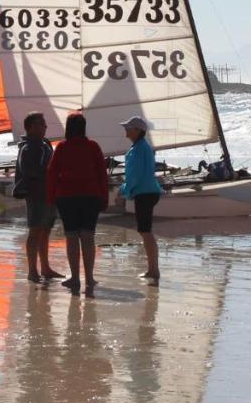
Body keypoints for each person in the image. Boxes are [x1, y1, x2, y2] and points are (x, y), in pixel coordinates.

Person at [45, 113, 109, 295]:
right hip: (90, 196)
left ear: (68, 128)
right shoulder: (93, 147)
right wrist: (104, 198)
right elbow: (102, 175)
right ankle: (89, 278)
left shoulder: (62, 147)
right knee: (88, 237)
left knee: (72, 237)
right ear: (84, 127)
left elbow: (52, 174)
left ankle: (75, 278)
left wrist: (50, 197)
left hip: (67, 197)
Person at [12, 112, 62, 283]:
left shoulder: (43, 144)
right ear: (31, 127)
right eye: (41, 123)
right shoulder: (29, 147)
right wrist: (51, 176)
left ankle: (46, 268)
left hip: (49, 193)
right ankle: (32, 270)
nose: (45, 126)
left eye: (44, 123)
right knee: (35, 231)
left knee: (46, 230)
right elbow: (30, 172)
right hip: (37, 195)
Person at [119, 115, 163, 281]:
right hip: (148, 192)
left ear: (138, 130)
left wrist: (124, 191)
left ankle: (153, 270)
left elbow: (135, 175)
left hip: (145, 193)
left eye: (129, 127)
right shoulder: (142, 146)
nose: (126, 130)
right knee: (145, 231)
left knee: (146, 231)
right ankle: (152, 269)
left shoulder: (139, 149)